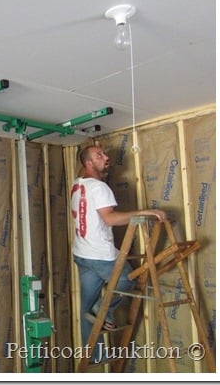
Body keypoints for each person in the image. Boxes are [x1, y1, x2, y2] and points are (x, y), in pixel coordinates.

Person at [70, 145, 166, 363]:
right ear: (88, 163)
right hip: (100, 255)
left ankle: (94, 356)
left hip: (82, 252)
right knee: (127, 280)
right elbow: (110, 219)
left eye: (104, 154)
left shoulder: (78, 185)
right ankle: (102, 308)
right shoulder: (99, 187)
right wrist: (144, 212)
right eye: (99, 155)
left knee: (86, 307)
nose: (106, 158)